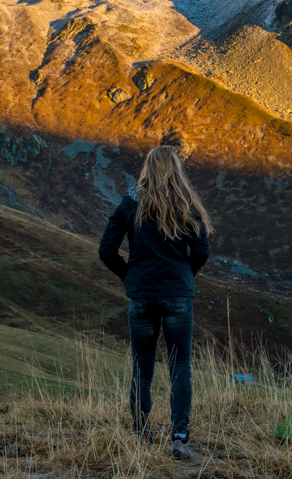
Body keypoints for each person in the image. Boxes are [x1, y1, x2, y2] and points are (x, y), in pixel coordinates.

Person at [99, 145, 212, 461]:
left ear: (148, 168)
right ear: (176, 169)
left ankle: (140, 435)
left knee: (142, 367)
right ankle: (179, 439)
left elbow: (106, 250)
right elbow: (201, 251)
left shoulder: (130, 203)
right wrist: (183, 276)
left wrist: (131, 279)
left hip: (142, 296)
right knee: (180, 366)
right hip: (178, 294)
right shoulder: (186, 203)